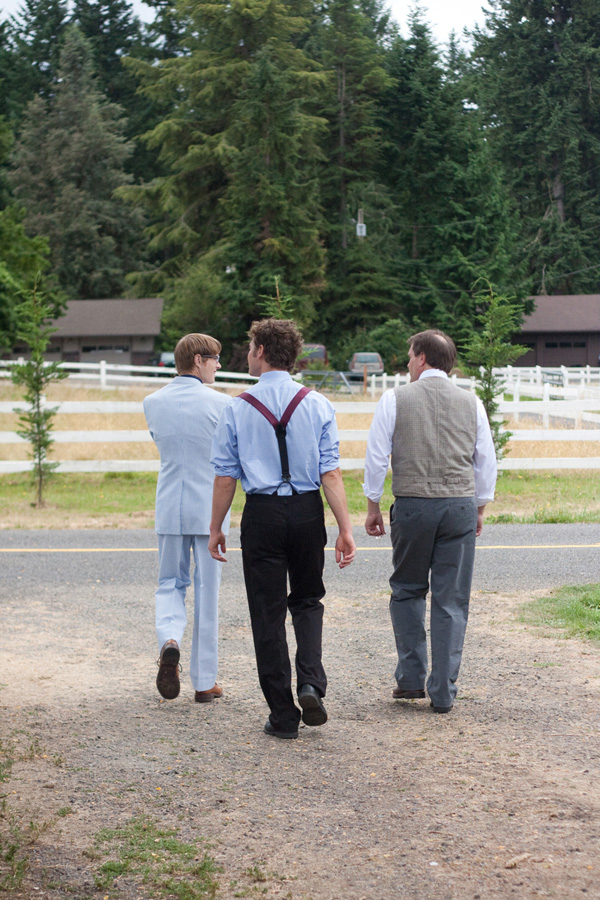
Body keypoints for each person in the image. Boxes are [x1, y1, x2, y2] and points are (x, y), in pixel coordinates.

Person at [208, 318, 356, 739]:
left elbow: (224, 478)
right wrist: (345, 528)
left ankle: (283, 714)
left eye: (251, 346)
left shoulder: (237, 407)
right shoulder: (318, 403)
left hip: (263, 514)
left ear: (260, 352)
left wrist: (215, 527)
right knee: (308, 600)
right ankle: (311, 682)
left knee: (267, 613)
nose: (249, 353)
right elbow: (331, 474)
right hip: (308, 511)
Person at [363, 329, 497, 713]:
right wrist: (480, 506)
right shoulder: (472, 403)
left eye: (409, 355)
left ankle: (409, 679)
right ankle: (443, 691)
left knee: (407, 589)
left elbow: (376, 456)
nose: (407, 362)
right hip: (458, 504)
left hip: (413, 504)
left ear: (422, 358)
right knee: (451, 599)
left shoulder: (395, 399)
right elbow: (485, 461)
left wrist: (373, 505)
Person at [143, 333, 232, 703]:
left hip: (169, 503)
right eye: (214, 359)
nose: (218, 365)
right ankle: (204, 681)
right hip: (209, 507)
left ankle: (170, 639)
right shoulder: (221, 404)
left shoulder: (152, 402)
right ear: (198, 360)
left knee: (169, 583)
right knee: (207, 592)